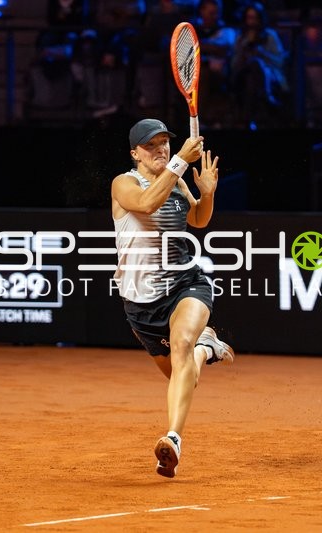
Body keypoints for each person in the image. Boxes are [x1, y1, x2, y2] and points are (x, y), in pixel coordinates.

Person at [111, 118, 234, 478]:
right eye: (151, 145)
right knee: (186, 375)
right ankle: (206, 348)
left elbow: (198, 219)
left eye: (164, 142)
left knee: (181, 347)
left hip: (185, 283)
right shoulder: (124, 184)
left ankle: (173, 440)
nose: (160, 149)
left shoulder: (177, 181)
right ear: (135, 154)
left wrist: (207, 194)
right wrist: (180, 160)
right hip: (140, 304)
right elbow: (147, 204)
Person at [230, 2, 289, 128]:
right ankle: (266, 98)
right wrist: (244, 49)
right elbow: (233, 65)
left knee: (256, 66)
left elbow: (279, 61)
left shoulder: (270, 36)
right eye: (249, 18)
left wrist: (261, 53)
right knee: (251, 70)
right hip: (243, 76)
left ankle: (247, 119)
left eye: (255, 18)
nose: (252, 22)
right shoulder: (240, 38)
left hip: (269, 76)